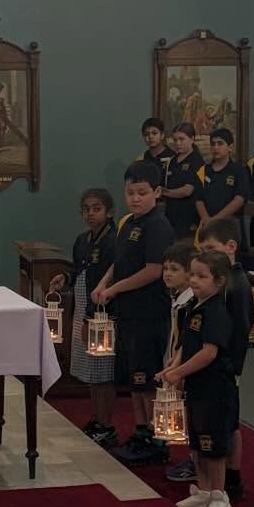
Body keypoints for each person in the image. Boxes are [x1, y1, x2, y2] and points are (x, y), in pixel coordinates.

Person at [92, 165, 174, 465]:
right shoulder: (128, 223)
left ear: (157, 192)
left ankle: (156, 437)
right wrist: (104, 284)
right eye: (130, 193)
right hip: (127, 313)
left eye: (142, 193)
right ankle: (141, 431)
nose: (135, 199)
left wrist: (115, 290)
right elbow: (119, 262)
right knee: (135, 379)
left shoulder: (158, 225)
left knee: (147, 378)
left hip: (149, 313)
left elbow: (154, 270)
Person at [158, 248, 239, 507]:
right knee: (197, 442)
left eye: (201, 276)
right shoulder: (194, 306)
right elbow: (185, 345)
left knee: (213, 445)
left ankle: (219, 493)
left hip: (215, 388)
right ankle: (203, 490)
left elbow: (208, 352)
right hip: (195, 387)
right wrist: (171, 367)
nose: (194, 281)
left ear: (219, 281)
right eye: (192, 274)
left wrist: (178, 372)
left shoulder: (216, 311)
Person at [193, 220, 254, 503]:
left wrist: (233, 365)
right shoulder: (222, 281)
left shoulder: (236, 284)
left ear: (230, 247)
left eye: (210, 249)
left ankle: (232, 477)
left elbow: (241, 326)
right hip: (218, 364)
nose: (206, 254)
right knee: (221, 423)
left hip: (227, 365)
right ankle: (215, 472)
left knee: (228, 424)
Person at [71, 187, 118, 445]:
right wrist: (64, 278)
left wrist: (92, 317)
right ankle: (97, 419)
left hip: (102, 316)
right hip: (83, 309)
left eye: (96, 208)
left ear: (109, 212)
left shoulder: (113, 240)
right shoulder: (82, 240)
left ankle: (107, 424)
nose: (91, 213)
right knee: (91, 372)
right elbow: (79, 271)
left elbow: (111, 279)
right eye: (86, 209)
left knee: (103, 373)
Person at [158, 240, 198, 484]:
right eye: (165, 269)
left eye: (174, 269)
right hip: (176, 362)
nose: (168, 274)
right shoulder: (178, 299)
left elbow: (186, 342)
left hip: (187, 367)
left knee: (193, 416)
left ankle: (196, 461)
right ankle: (193, 458)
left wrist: (178, 369)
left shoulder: (189, 302)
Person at [196, 125, 250, 232]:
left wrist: (215, 220)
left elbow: (239, 200)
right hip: (207, 225)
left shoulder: (240, 170)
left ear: (230, 147)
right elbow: (198, 199)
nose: (216, 147)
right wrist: (206, 220)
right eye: (213, 144)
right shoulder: (203, 170)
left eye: (220, 143)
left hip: (230, 225)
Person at [161, 121, 202, 239]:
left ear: (192, 139)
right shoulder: (172, 161)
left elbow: (187, 190)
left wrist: (164, 192)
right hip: (170, 215)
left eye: (181, 139)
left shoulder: (196, 161)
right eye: (175, 140)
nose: (177, 143)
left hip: (188, 218)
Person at [136, 116, 172, 189]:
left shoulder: (173, 157)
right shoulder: (140, 159)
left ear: (162, 135)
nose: (150, 137)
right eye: (146, 134)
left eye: (154, 133)